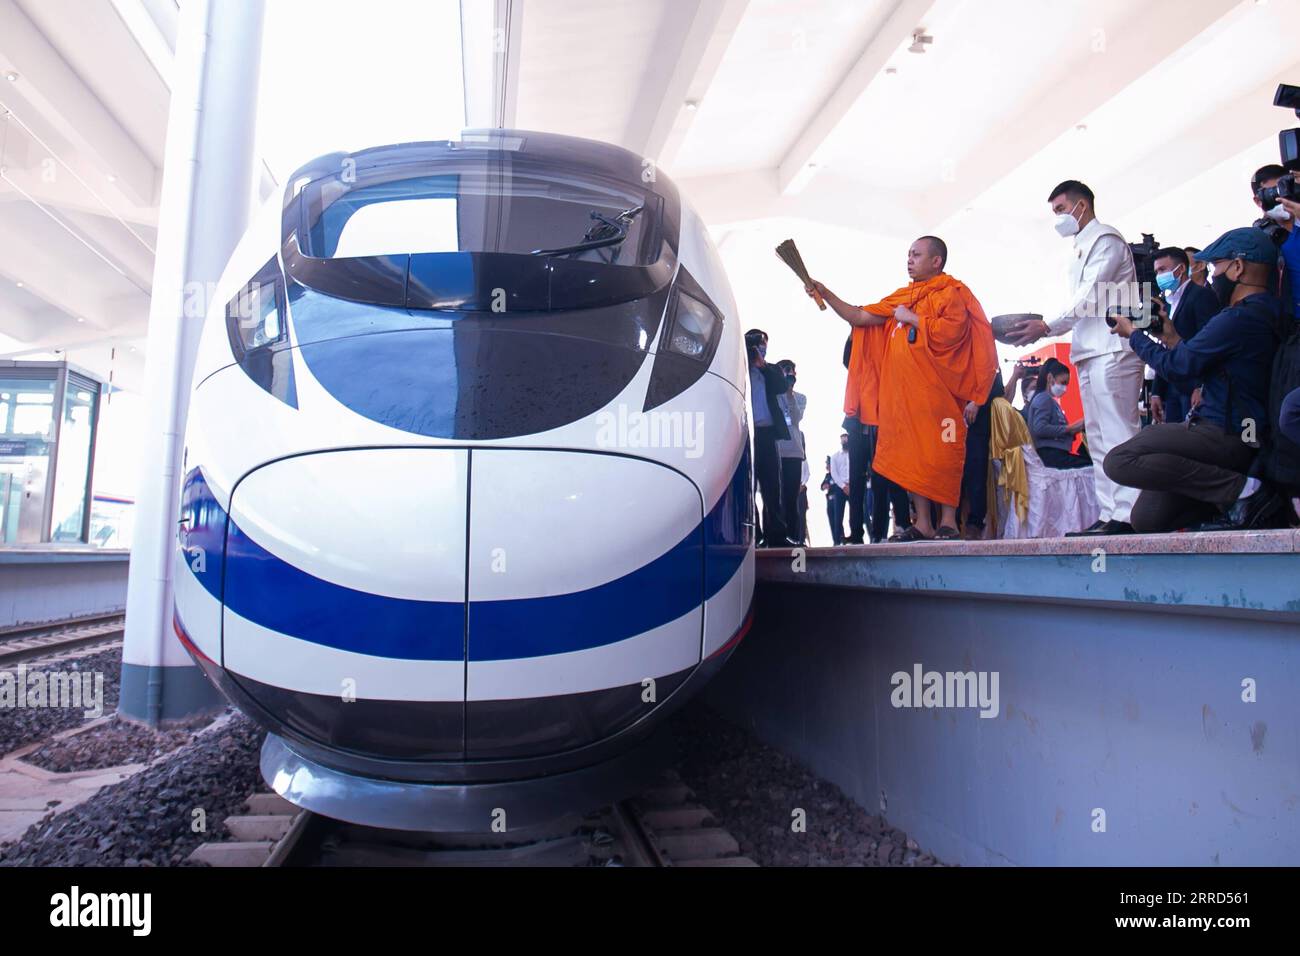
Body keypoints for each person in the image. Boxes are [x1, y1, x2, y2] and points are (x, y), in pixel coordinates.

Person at [806, 236, 998, 541]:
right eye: (908, 254)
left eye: (916, 255)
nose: (909, 260)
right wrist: (825, 292)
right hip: (905, 401)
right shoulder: (902, 297)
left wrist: (913, 318)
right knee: (911, 456)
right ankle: (923, 523)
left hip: (943, 399)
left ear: (936, 261)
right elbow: (859, 316)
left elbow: (953, 332)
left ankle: (948, 521)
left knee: (945, 453)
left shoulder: (950, 293)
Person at [1103, 228, 1287, 532]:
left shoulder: (1236, 319)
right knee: (1148, 518)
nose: (1214, 276)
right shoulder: (1272, 312)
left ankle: (1244, 492)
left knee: (1120, 460)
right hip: (1249, 432)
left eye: (1216, 267)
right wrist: (1171, 337)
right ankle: (1227, 500)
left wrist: (1133, 335)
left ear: (1238, 267)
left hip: (1225, 432)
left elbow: (1178, 367)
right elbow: (1215, 367)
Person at [1007, 180, 1142, 536]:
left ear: (1082, 206)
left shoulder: (1106, 240)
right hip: (1090, 350)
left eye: (1061, 209)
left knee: (1118, 433)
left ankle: (1131, 514)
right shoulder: (1081, 247)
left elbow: (1090, 296)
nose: (1058, 218)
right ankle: (1110, 512)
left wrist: (1046, 326)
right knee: (1096, 437)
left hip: (1113, 348)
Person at [1149, 247, 1221, 425]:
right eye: (1156, 272)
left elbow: (1209, 346)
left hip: (1193, 388)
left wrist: (1201, 386)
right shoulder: (1165, 303)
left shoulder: (1202, 296)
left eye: (1162, 270)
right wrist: (1156, 391)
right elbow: (1165, 346)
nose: (1159, 276)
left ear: (1180, 269)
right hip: (1171, 387)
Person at [745, 329, 796, 547]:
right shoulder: (740, 370)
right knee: (747, 487)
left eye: (764, 345)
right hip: (745, 435)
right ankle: (752, 537)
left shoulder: (772, 369)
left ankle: (776, 535)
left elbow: (782, 387)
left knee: (772, 487)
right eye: (757, 344)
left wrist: (763, 366)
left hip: (767, 434)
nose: (761, 349)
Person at [959, 371, 1005, 539]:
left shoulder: (988, 362)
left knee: (976, 471)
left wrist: (977, 402)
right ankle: (948, 523)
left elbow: (997, 387)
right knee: (949, 470)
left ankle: (975, 523)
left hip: (977, 422)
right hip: (950, 420)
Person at [1026, 358, 1090, 469]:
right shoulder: (1043, 398)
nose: (1065, 388)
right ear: (1050, 378)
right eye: (1063, 383)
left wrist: (1076, 428)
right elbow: (1039, 429)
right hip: (1051, 455)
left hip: (1057, 454)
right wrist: (1069, 429)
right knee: (1091, 467)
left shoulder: (1050, 401)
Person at [1251, 164, 1298, 316]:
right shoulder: (1257, 240)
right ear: (1258, 200)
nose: (1282, 198)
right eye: (1274, 192)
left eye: (1286, 189)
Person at [774, 359, 807, 542]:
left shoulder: (800, 397)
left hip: (794, 451)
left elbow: (796, 418)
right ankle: (774, 536)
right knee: (774, 497)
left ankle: (793, 536)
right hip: (776, 450)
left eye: (792, 371)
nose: (789, 374)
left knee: (791, 497)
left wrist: (789, 393)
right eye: (785, 370)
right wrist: (781, 389)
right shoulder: (773, 395)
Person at [826, 434, 850, 544]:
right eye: (843, 441)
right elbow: (834, 474)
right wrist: (843, 486)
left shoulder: (854, 455)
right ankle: (836, 542)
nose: (845, 442)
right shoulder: (834, 456)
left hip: (853, 487)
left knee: (857, 514)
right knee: (838, 516)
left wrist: (850, 485)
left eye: (846, 440)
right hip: (840, 488)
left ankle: (856, 539)